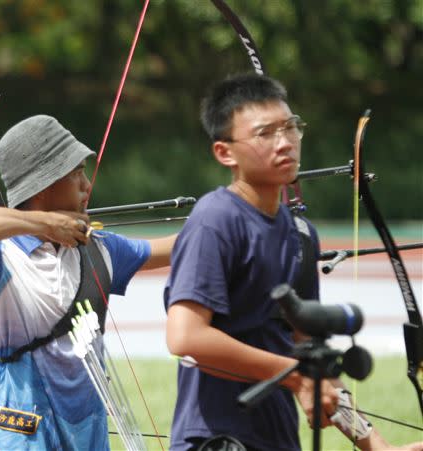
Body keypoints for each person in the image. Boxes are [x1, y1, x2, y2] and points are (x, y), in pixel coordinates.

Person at [164, 73, 423, 451]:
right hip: (215, 440)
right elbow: (186, 336)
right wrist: (296, 378)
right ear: (225, 153)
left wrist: (378, 447)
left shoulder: (300, 232)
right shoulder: (216, 218)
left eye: (290, 127)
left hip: (278, 439)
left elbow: (309, 354)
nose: (284, 142)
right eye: (264, 133)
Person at [0, 114, 177, 450]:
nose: (87, 186)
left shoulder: (99, 248)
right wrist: (44, 225)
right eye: (76, 175)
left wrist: (232, 213)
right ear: (43, 186)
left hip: (86, 434)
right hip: (19, 437)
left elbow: (179, 247)